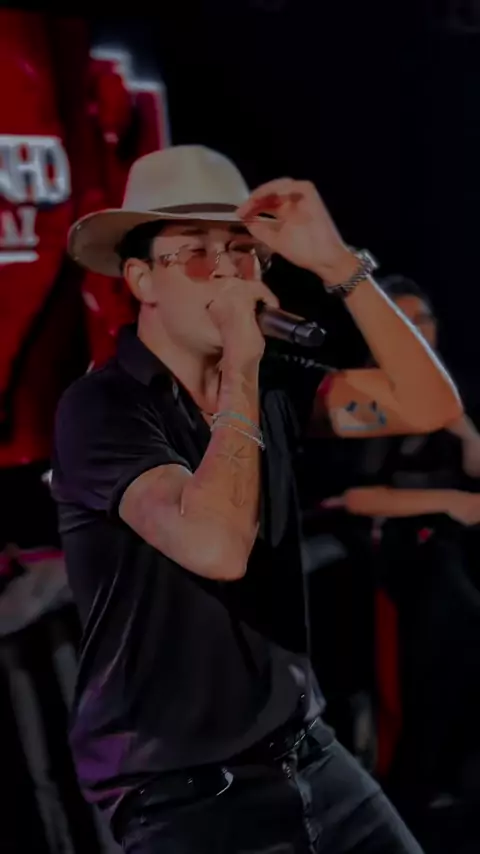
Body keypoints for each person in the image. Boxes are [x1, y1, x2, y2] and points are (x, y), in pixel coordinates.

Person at [52, 146, 461, 854]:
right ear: (142, 279)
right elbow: (216, 547)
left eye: (241, 250)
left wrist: (339, 265)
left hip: (309, 753)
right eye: (195, 252)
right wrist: (240, 366)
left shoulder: (271, 385)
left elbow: (430, 405)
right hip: (185, 795)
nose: (226, 270)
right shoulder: (102, 408)